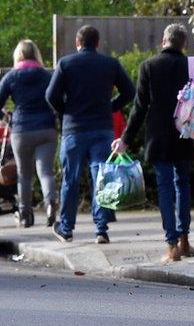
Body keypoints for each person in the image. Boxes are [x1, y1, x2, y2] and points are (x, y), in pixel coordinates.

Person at [113, 24, 194, 262]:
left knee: (165, 187)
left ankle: (172, 245)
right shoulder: (192, 65)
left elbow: (139, 107)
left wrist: (125, 140)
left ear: (164, 41)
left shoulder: (148, 66)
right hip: (185, 133)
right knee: (183, 184)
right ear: (183, 43)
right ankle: (185, 239)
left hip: (158, 136)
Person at [46, 25, 135, 243]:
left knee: (70, 179)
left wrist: (65, 110)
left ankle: (66, 228)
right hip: (102, 129)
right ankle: (101, 229)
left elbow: (51, 95)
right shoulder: (109, 64)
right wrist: (112, 107)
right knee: (102, 179)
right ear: (97, 43)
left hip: (73, 130)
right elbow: (130, 91)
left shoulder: (66, 64)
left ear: (78, 43)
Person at [0, 40, 58, 227]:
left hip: (21, 130)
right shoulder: (47, 75)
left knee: (24, 175)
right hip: (46, 129)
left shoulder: (11, 77)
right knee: (46, 172)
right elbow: (58, 99)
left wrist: (6, 116)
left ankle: (25, 216)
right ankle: (50, 203)